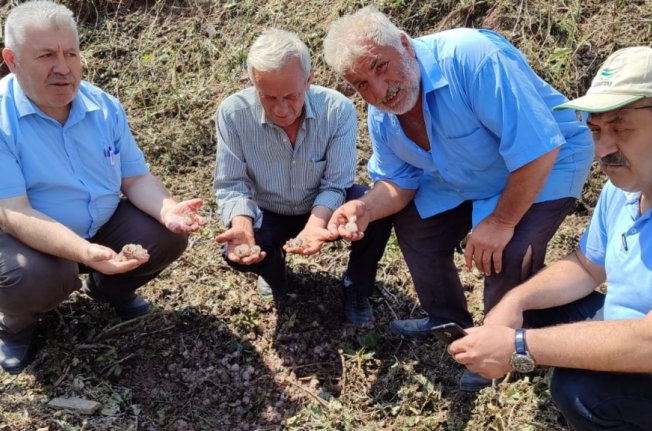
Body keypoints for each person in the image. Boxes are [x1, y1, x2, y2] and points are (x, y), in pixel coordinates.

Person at [322, 7, 593, 390]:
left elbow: (537, 149)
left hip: (546, 158)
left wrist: (499, 222)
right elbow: (399, 183)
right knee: (415, 226)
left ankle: (502, 348)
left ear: (404, 44)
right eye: (361, 83)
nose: (379, 91)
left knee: (509, 251)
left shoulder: (473, 58)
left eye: (381, 67)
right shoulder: (381, 114)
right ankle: (447, 322)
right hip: (468, 172)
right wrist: (364, 206)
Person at [447, 46, 652, 429]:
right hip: (639, 327)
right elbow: (587, 265)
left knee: (584, 389)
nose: (602, 149)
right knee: (529, 303)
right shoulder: (629, 185)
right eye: (596, 130)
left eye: (620, 129)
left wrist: (519, 347)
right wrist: (515, 300)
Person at [0, 1, 205, 375]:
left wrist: (167, 210)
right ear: (12, 60)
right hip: (26, 236)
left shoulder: (103, 106)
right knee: (31, 275)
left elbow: (136, 178)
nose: (63, 68)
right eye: (46, 55)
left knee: (166, 235)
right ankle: (16, 325)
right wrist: (83, 251)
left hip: (101, 222)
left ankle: (111, 290)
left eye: (71, 53)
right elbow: (14, 212)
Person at [213, 29, 391, 327]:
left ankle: (356, 287)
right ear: (254, 84)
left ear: (308, 81)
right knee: (237, 250)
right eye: (268, 97)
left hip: (324, 207)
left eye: (291, 96)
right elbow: (231, 184)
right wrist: (241, 225)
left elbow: (336, 183)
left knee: (375, 212)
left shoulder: (338, 110)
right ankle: (274, 274)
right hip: (268, 209)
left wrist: (315, 226)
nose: (281, 109)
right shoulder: (233, 114)